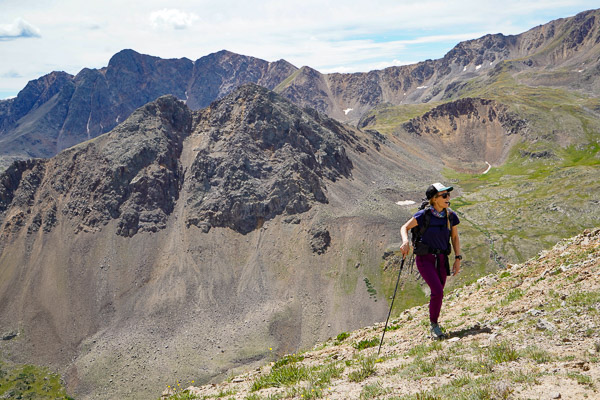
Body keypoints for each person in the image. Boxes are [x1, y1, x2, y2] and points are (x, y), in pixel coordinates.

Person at [400, 182, 462, 339]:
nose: (448, 197)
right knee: (438, 291)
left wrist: (457, 258)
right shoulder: (424, 215)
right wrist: (405, 241)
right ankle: (434, 325)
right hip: (425, 259)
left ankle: (434, 322)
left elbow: (454, 237)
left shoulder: (450, 216)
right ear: (434, 199)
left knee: (438, 293)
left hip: (442, 259)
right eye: (444, 195)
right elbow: (404, 227)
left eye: (448, 195)